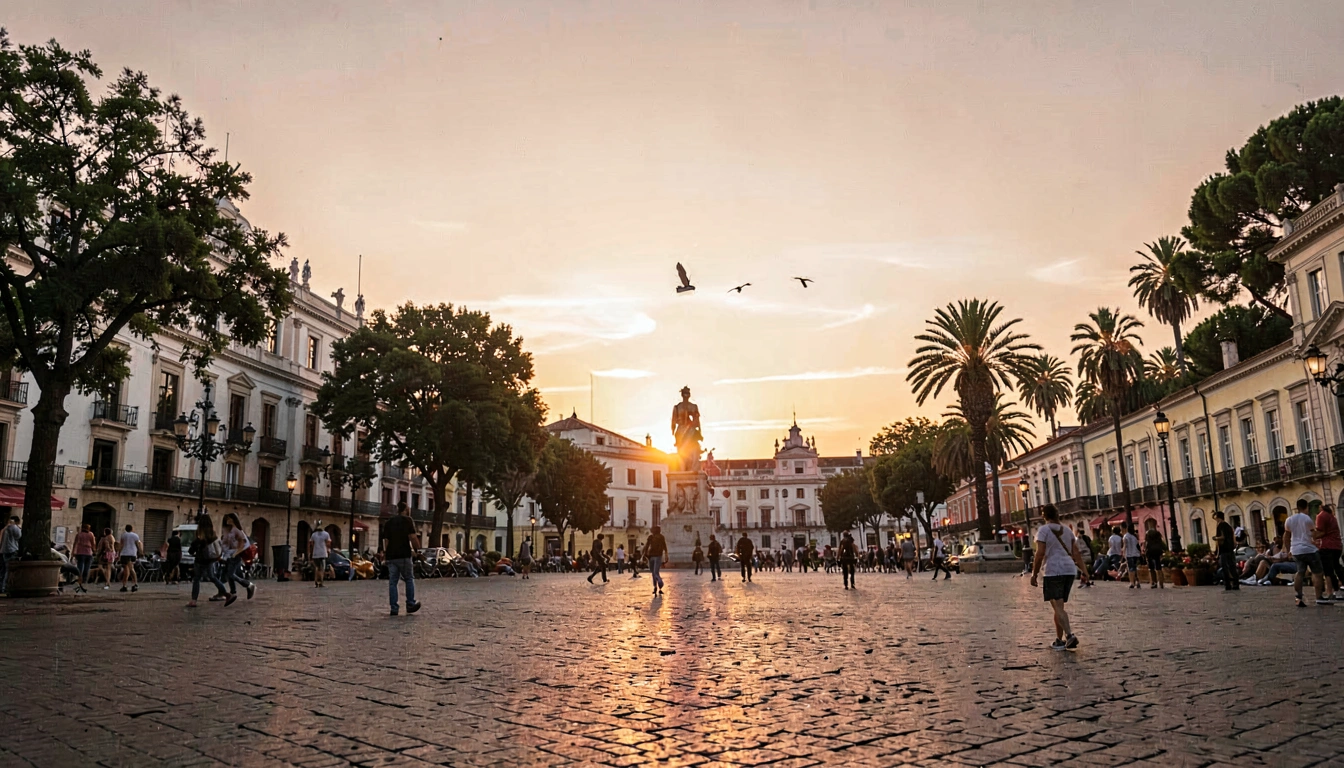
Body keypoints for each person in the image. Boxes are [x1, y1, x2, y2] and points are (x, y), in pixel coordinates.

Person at [1030, 504, 1090, 650]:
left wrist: (1034, 573)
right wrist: (1084, 570)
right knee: (1059, 608)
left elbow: (1040, 553)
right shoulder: (1067, 530)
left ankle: (1069, 635)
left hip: (1053, 569)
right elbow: (1076, 553)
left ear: (1044, 516)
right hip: (1069, 569)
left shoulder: (1043, 530)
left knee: (1057, 606)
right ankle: (1059, 640)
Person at [1285, 499, 1330, 607]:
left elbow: (1286, 537)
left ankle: (1298, 597)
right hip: (1309, 549)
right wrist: (1322, 533)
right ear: (1307, 507)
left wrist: (1288, 550)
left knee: (1300, 572)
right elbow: (1313, 534)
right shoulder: (1307, 519)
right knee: (1317, 573)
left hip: (1296, 550)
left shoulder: (1289, 520)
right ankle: (1319, 597)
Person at [381, 501, 422, 616]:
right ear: (405, 509)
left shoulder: (389, 522)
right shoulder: (408, 521)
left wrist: (385, 553)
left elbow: (386, 541)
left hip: (391, 556)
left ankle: (394, 608)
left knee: (393, 582)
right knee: (409, 578)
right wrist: (417, 549)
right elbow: (412, 537)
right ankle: (410, 604)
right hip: (403, 554)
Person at [187, 513, 232, 608]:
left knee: (196, 579)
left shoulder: (199, 535)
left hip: (200, 560)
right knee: (212, 577)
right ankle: (227, 594)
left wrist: (194, 548)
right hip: (210, 560)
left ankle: (194, 600)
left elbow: (192, 549)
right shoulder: (213, 534)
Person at [219, 514, 255, 600]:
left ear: (233, 519)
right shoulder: (230, 531)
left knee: (230, 574)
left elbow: (243, 544)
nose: (227, 520)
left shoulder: (237, 530)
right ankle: (233, 592)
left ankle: (248, 584)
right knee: (228, 575)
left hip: (234, 555)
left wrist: (235, 554)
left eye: (228, 518)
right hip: (229, 555)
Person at [1316, 503, 1344, 599]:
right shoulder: (1332, 517)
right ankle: (1340, 587)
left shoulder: (1321, 516)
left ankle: (1332, 591)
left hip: (1327, 546)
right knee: (1337, 566)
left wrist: (1311, 536)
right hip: (1337, 545)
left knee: (1328, 570)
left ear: (1321, 508)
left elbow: (1321, 531)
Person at [1211, 511, 1238, 591]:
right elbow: (1233, 538)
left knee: (1224, 567)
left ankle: (1228, 584)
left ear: (1219, 518)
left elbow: (1223, 537)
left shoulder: (1221, 526)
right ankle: (1236, 584)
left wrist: (1215, 538)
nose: (1216, 521)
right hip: (1230, 548)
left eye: (1216, 519)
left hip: (1223, 548)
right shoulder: (1229, 526)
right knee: (1232, 566)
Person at [117, 524, 141, 593]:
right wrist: (140, 551)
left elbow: (121, 545)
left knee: (126, 571)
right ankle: (135, 584)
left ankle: (124, 585)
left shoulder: (123, 535)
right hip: (132, 553)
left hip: (124, 554)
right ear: (132, 528)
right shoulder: (135, 535)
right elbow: (137, 544)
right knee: (131, 569)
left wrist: (119, 553)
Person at [1142, 520, 1165, 589]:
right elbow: (1161, 542)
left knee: (1151, 568)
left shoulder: (1147, 533)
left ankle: (1153, 582)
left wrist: (1144, 550)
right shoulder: (1158, 533)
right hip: (1157, 551)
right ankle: (1161, 583)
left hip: (1150, 552)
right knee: (1158, 567)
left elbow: (1146, 543)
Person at [644, 526, 668, 595]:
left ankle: (656, 586)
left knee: (653, 572)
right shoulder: (661, 537)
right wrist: (666, 555)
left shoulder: (651, 537)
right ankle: (659, 585)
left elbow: (647, 546)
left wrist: (645, 554)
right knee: (655, 572)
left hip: (651, 556)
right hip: (658, 556)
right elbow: (665, 546)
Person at [0, 516, 20, 593]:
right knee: (9, 570)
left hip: (4, 551)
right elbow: (19, 536)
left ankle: (2, 587)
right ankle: (5, 588)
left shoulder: (4, 529)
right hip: (11, 550)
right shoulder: (13, 527)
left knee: (3, 570)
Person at [1122, 524, 1141, 589]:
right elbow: (1137, 545)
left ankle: (1132, 582)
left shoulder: (1126, 536)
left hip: (1129, 554)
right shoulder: (1135, 536)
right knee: (1135, 568)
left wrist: (1123, 553)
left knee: (1130, 568)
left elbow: (1125, 546)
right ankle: (1138, 582)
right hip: (1136, 553)